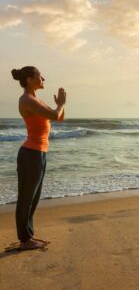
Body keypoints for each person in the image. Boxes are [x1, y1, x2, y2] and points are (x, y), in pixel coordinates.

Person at [11, 66, 66, 250]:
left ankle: (28, 236)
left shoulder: (36, 99)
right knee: (26, 197)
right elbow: (53, 114)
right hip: (30, 154)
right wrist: (61, 104)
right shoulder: (26, 100)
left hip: (40, 152)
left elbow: (58, 118)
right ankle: (25, 240)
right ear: (29, 79)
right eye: (39, 75)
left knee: (34, 197)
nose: (43, 78)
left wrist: (61, 104)